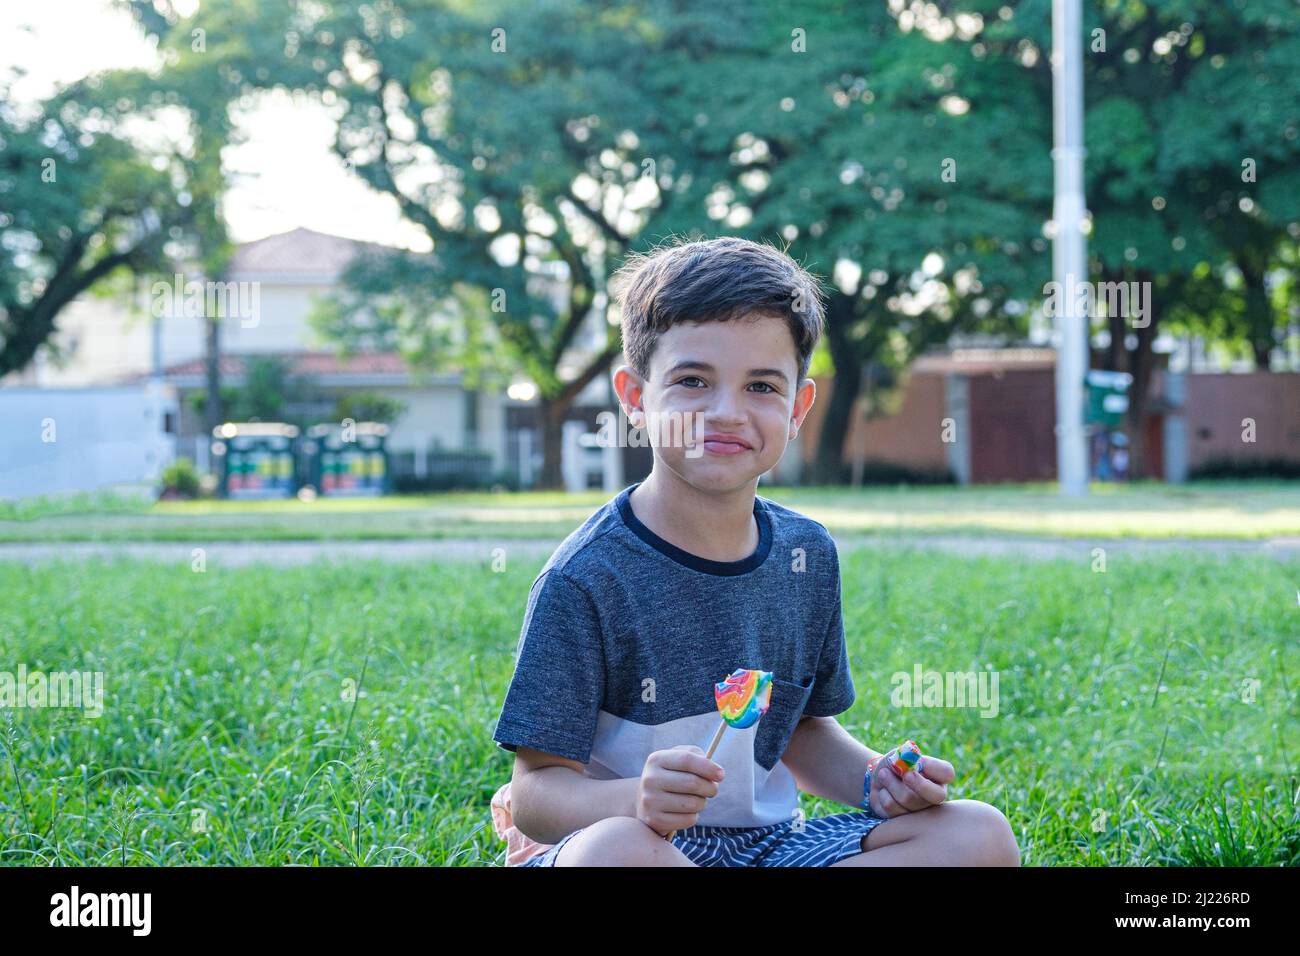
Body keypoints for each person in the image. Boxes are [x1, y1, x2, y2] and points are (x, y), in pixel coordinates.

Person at [491, 236, 1020, 867]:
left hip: (770, 847)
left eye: (762, 387)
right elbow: (535, 793)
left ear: (798, 406)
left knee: (976, 835)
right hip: (634, 841)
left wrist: (877, 780)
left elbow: (800, 731)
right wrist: (634, 799)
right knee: (614, 853)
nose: (726, 412)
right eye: (692, 381)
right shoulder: (585, 579)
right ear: (635, 398)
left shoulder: (805, 556)